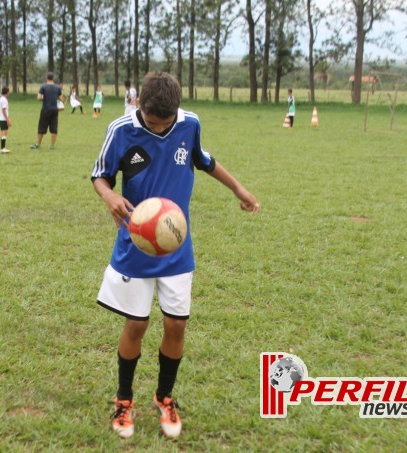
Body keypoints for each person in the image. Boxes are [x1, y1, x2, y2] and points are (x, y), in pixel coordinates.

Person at [91, 72, 260, 440]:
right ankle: (123, 400)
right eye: (152, 123)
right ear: (139, 106)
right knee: (136, 325)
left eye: (165, 123)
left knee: (176, 324)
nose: (160, 128)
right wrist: (109, 196)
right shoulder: (120, 129)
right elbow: (99, 176)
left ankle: (164, 397)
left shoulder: (190, 124)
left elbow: (206, 161)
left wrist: (239, 190)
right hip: (135, 246)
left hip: (176, 248)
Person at [30, 72, 62, 150]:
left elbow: (38, 98)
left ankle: (38, 144)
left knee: (42, 127)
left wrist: (45, 98)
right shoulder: (57, 87)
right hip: (55, 109)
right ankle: (52, 145)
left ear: (46, 78)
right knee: (54, 127)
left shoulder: (43, 87)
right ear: (53, 78)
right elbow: (60, 98)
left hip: (45, 109)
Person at [0, 86, 11, 154]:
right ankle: (2, 148)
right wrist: (7, 119)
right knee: (4, 133)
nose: (9, 93)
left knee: (4, 133)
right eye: (9, 92)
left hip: (0, 118)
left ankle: (3, 147)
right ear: (6, 92)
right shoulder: (4, 100)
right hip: (3, 118)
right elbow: (4, 110)